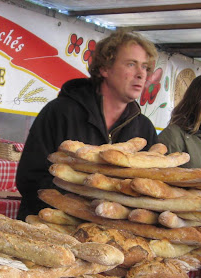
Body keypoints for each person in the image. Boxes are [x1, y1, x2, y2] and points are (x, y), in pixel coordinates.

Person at [16, 31, 159, 220]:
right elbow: (30, 179)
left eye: (145, 67)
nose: (141, 74)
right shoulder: (60, 112)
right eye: (131, 64)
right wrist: (89, 203)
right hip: (49, 229)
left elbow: (152, 191)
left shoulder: (144, 129)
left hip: (114, 238)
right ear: (105, 69)